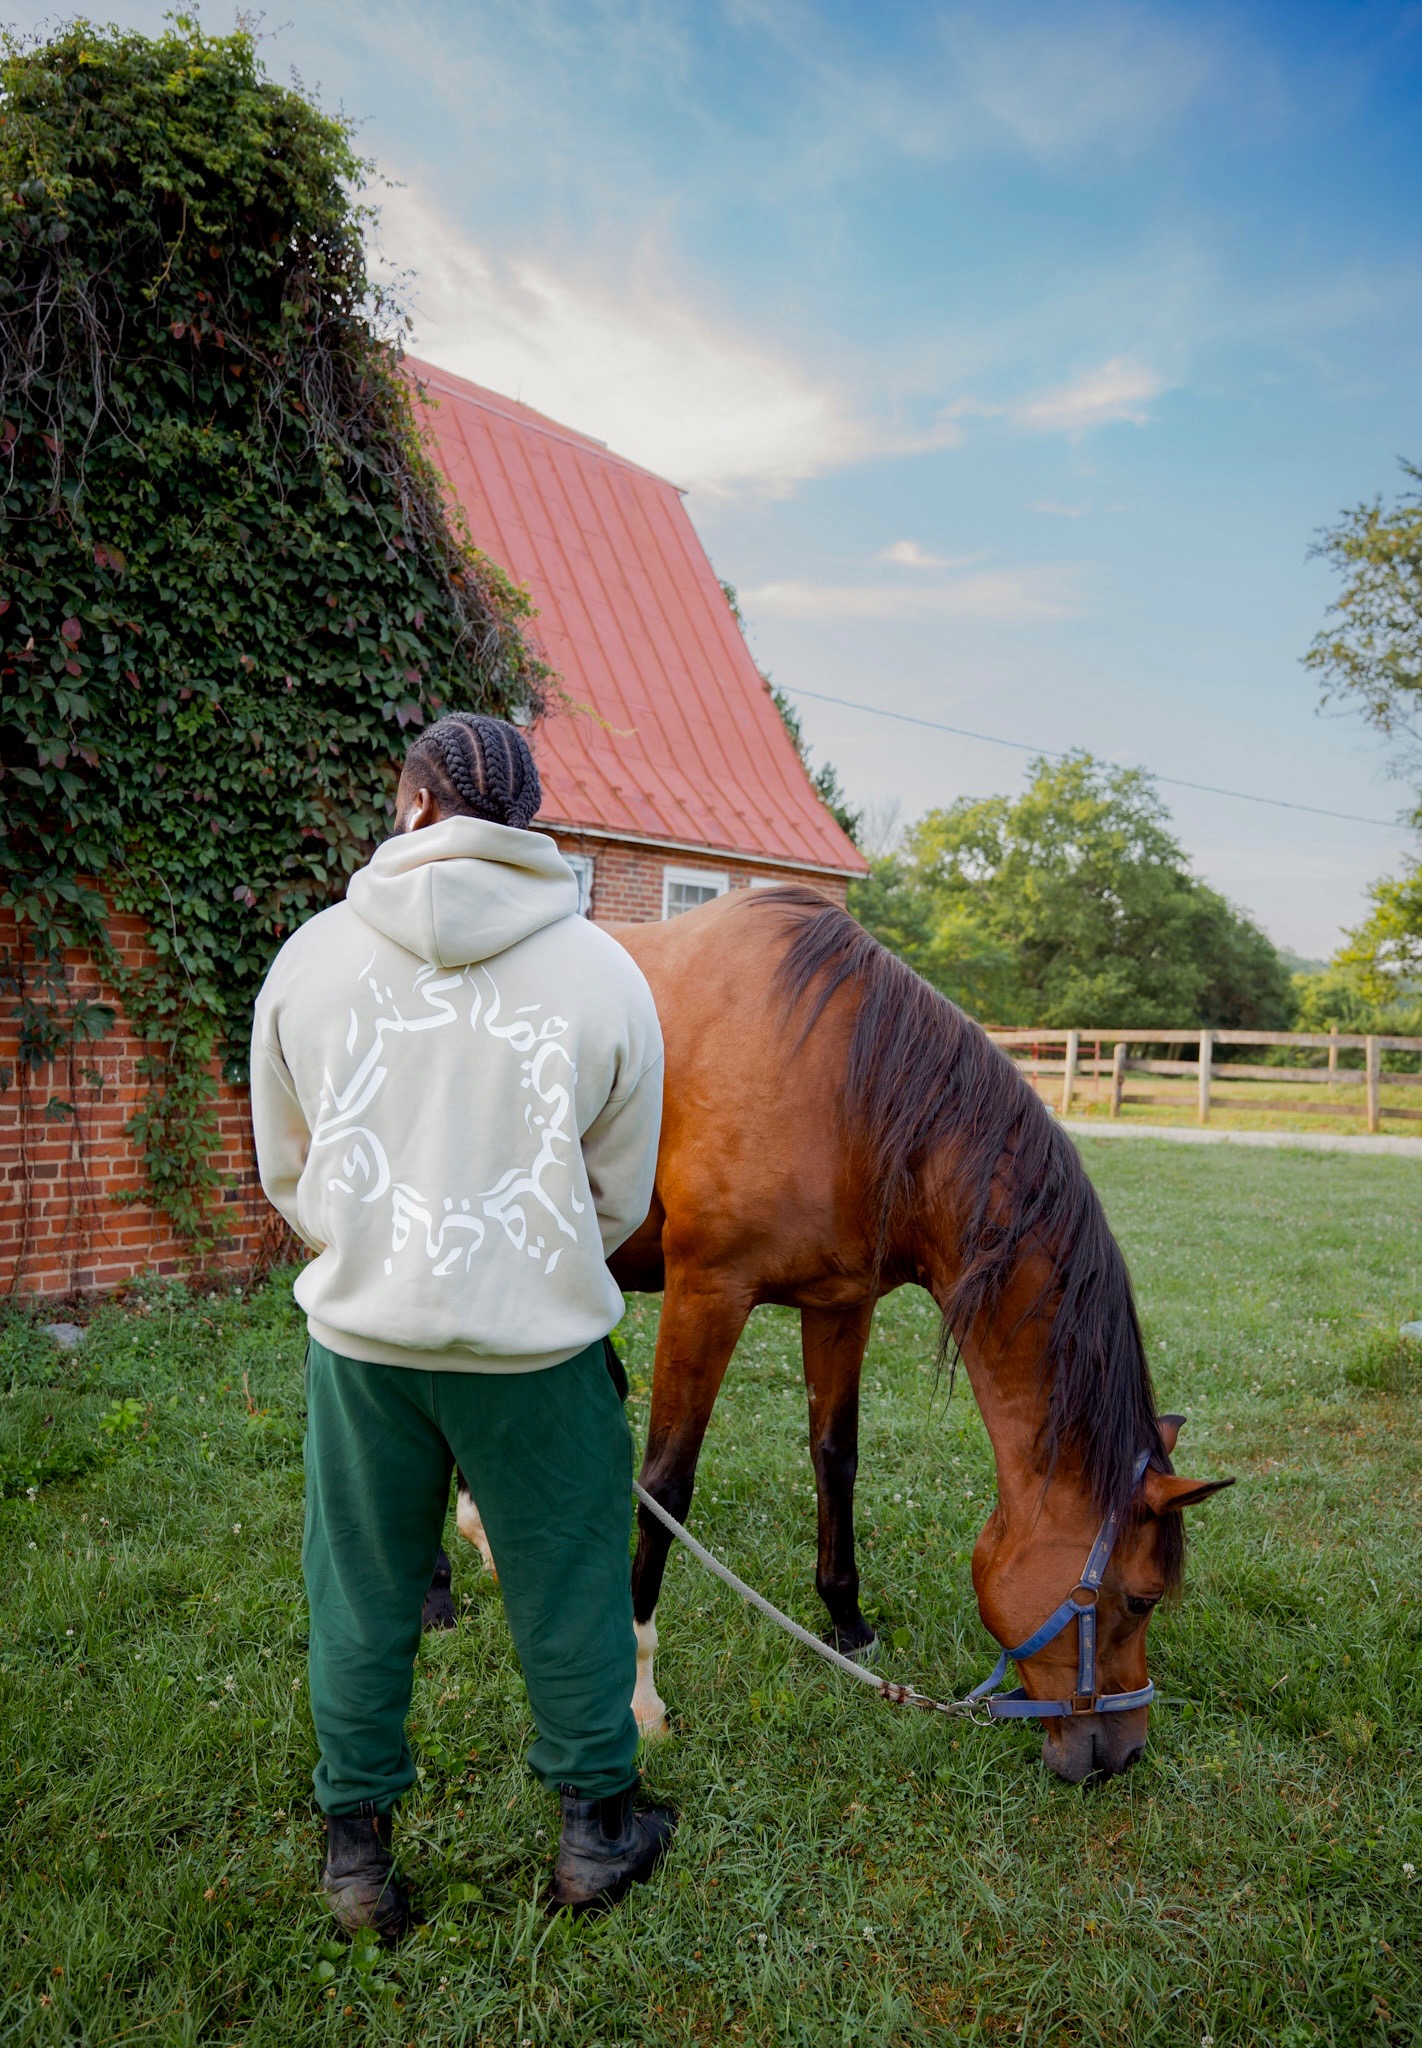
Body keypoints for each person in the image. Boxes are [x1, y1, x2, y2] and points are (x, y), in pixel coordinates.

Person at [250, 711, 672, 1939]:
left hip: (364, 1346)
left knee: (360, 1584)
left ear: (419, 803)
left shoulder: (311, 956)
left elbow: (288, 1164)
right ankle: (597, 1832)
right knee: (572, 1576)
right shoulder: (604, 971)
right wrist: (534, 1260)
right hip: (537, 1346)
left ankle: (356, 1855)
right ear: (525, 815)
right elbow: (618, 1191)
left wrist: (369, 1247)